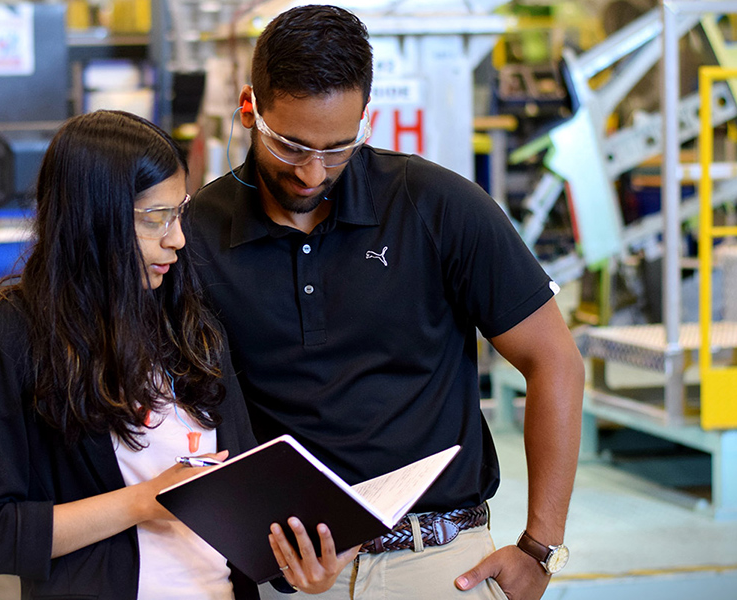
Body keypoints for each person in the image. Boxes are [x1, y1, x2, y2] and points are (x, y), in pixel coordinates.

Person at [186, 5, 585, 600]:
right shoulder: (196, 235)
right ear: (250, 110)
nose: (313, 173)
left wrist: (539, 547)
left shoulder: (438, 206)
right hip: (284, 571)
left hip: (437, 562)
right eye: (291, 146)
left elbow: (554, 360)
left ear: (366, 119)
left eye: (339, 147)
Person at [0, 110, 281, 599]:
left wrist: (298, 563)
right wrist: (141, 503)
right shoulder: (9, 334)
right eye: (155, 218)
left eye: (179, 211)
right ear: (92, 219)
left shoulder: (190, 323)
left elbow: (246, 485)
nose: (178, 239)